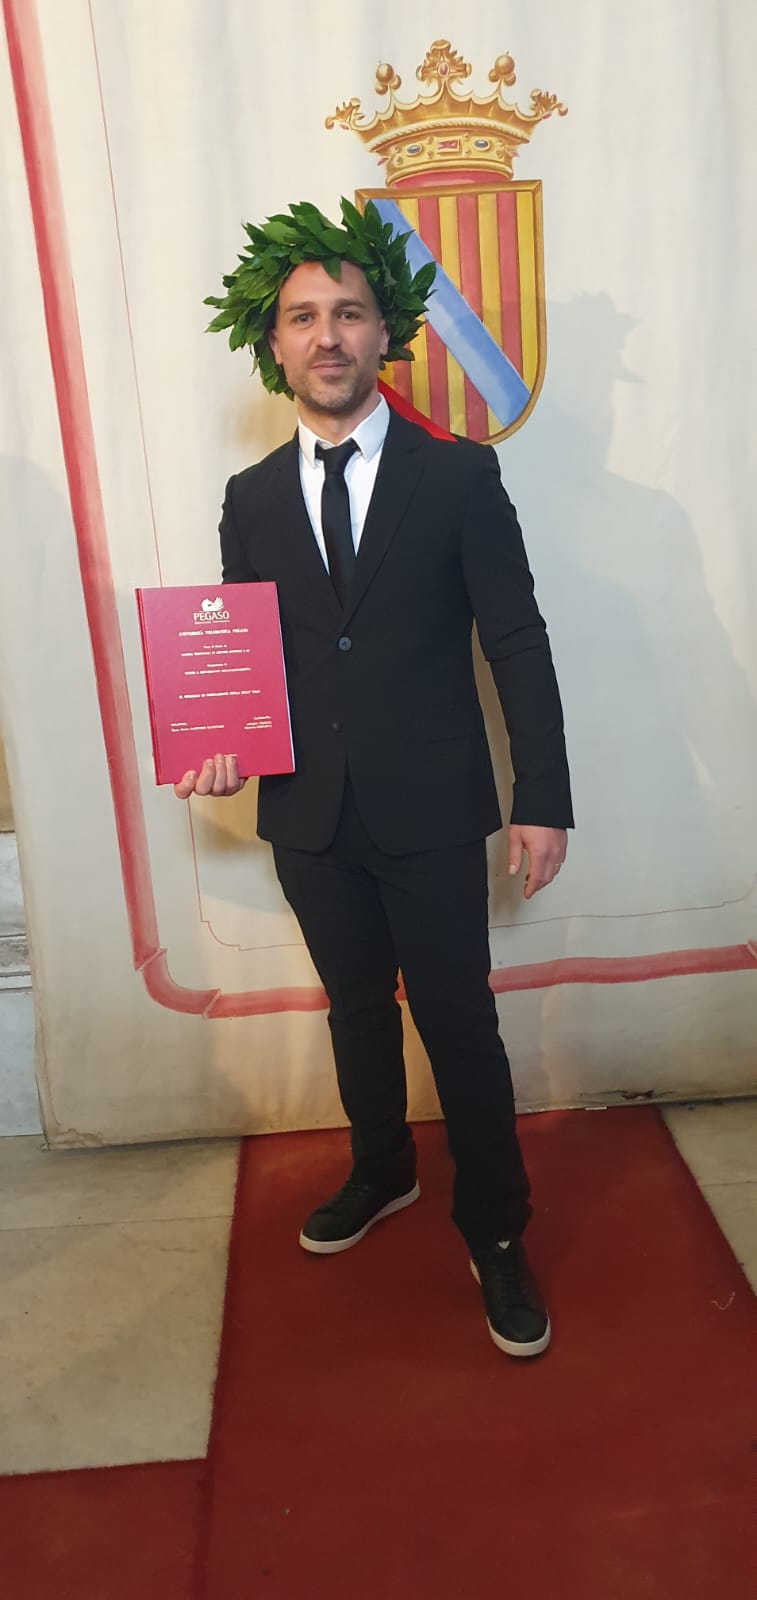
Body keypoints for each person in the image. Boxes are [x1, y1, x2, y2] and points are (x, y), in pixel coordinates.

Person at [176, 199, 573, 1358]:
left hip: (434, 807)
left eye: (347, 312)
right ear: (274, 343)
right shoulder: (251, 497)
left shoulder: (457, 478)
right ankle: (383, 1166)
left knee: (457, 1022)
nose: (327, 334)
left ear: (382, 333)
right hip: (309, 811)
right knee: (354, 1011)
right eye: (303, 316)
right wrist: (218, 737)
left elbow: (516, 641)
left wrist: (541, 797)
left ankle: (494, 1226)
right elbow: (245, 655)